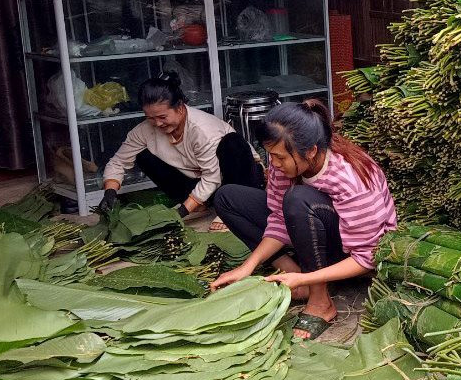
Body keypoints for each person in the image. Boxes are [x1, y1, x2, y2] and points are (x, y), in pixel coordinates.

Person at [209, 98, 397, 339]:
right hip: (309, 229)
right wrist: (247, 267)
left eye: (280, 157)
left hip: (352, 253)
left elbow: (368, 257)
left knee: (298, 199)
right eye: (271, 155)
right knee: (227, 197)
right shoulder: (285, 162)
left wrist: (306, 277)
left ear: (311, 151)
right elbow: (278, 219)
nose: (273, 164)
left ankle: (320, 302)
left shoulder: (349, 178)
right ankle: (295, 277)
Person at [97, 72, 264, 219]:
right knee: (142, 154)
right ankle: (199, 204)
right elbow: (118, 161)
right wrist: (110, 192)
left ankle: (235, 209)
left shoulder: (201, 129)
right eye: (150, 118)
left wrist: (183, 212)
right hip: (200, 182)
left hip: (238, 180)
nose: (157, 123)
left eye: (163, 116)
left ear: (180, 108)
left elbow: (211, 177)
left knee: (232, 143)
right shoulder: (145, 130)